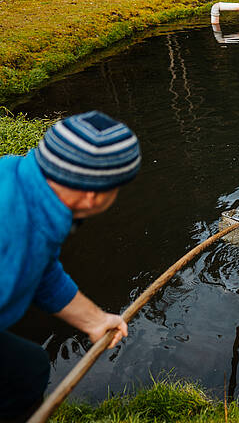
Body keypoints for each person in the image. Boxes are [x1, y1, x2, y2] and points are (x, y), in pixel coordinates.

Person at [0, 111, 141, 421]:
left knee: (27, 369)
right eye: (116, 189)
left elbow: (41, 271)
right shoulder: (13, 231)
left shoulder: (23, 186)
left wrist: (94, 321)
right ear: (92, 195)